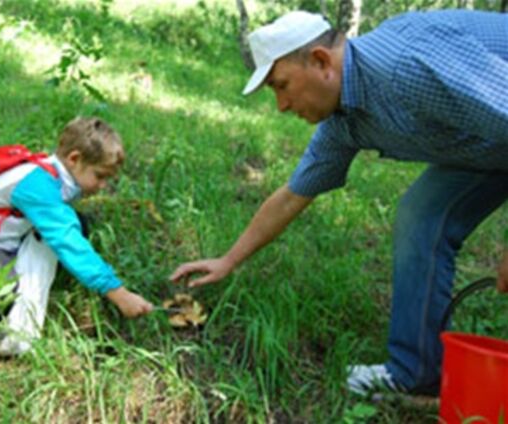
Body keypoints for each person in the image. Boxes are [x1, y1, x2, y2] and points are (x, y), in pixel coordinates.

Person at [170, 9, 508, 397]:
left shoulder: (404, 64)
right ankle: (415, 375)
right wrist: (228, 260)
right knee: (421, 218)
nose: (280, 105)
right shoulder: (344, 121)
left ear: (320, 61)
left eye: (282, 86)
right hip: (488, 145)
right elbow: (293, 195)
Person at [0, 116, 153, 389]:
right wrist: (119, 294)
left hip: (11, 235)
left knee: (79, 227)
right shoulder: (36, 185)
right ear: (74, 159)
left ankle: (20, 306)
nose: (102, 186)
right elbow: (68, 242)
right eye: (99, 176)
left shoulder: (53, 174)